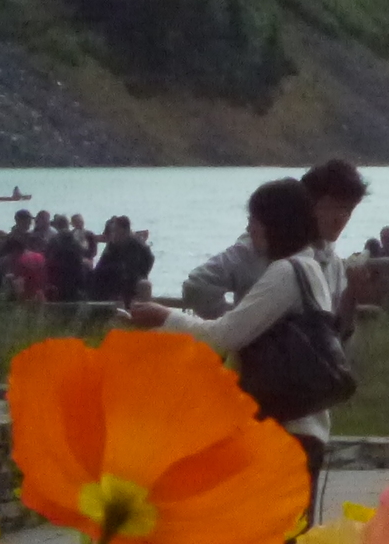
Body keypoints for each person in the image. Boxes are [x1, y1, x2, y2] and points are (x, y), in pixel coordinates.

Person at [129, 176, 348, 524]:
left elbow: (222, 336)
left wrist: (163, 316)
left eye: (255, 221)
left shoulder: (285, 272)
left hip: (284, 427)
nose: (250, 229)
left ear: (275, 225)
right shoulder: (314, 269)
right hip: (307, 425)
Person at [182, 156, 368, 316]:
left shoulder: (333, 263)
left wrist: (351, 294)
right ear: (307, 204)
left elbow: (334, 335)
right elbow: (198, 286)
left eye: (348, 210)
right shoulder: (257, 246)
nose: (341, 219)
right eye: (331, 207)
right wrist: (238, 326)